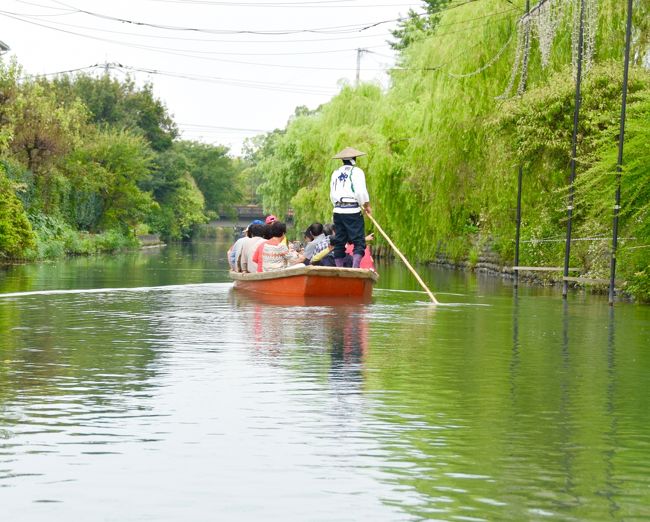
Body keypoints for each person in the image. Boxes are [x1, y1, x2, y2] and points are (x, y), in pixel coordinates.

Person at [329, 146, 371, 268]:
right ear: (354, 159)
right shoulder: (357, 172)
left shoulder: (335, 173)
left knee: (339, 241)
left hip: (337, 210)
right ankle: (355, 268)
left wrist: (338, 206)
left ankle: (339, 269)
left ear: (342, 160)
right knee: (359, 241)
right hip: (352, 210)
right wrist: (366, 205)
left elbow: (332, 194)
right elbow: (361, 192)